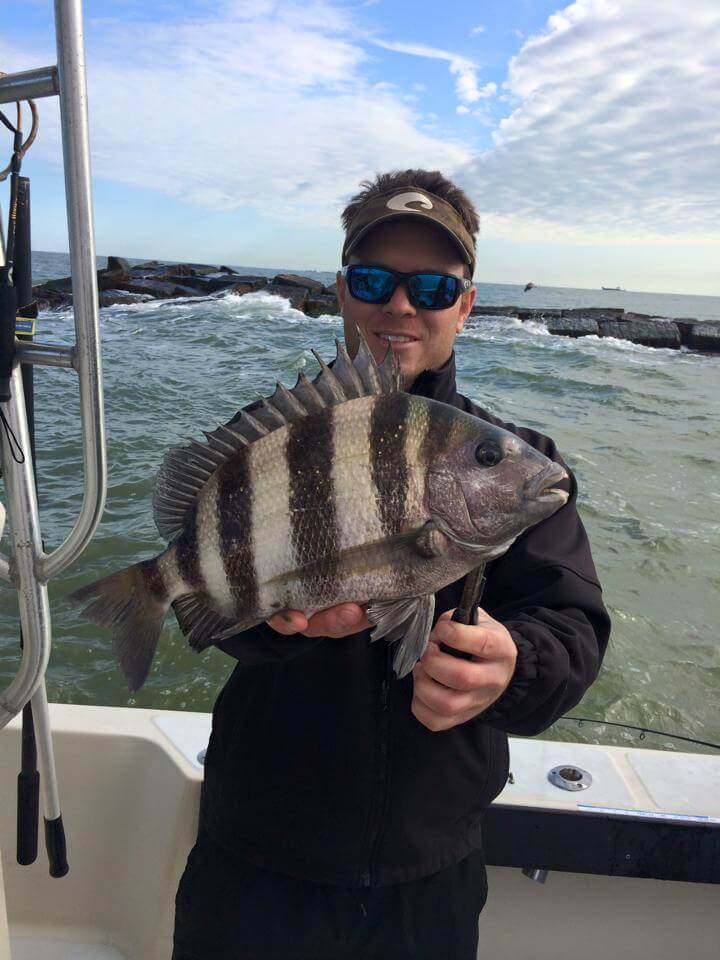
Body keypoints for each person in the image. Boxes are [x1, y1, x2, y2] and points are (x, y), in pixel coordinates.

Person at [172, 169, 610, 959]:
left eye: (432, 287)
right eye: (375, 280)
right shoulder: (265, 441)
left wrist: (516, 667)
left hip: (429, 871)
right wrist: (273, 628)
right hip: (256, 854)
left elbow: (572, 626)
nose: (400, 306)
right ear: (343, 292)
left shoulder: (517, 467)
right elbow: (208, 605)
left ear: (465, 305)